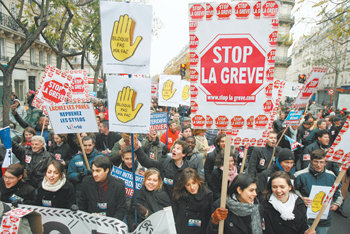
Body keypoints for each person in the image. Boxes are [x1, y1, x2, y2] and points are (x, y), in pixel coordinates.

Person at [295, 150, 343, 234]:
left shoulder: (331, 176)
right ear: (311, 161)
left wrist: (336, 204)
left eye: (322, 162)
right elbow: (293, 191)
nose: (319, 165)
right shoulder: (299, 175)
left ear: (325, 163)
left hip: (324, 219)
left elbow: (337, 192)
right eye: (316, 162)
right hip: (305, 217)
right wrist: (301, 198)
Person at [172, 168, 213, 234]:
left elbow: (209, 219)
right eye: (188, 185)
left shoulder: (207, 195)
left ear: (198, 181)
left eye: (194, 183)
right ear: (184, 185)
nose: (192, 187)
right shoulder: (179, 195)